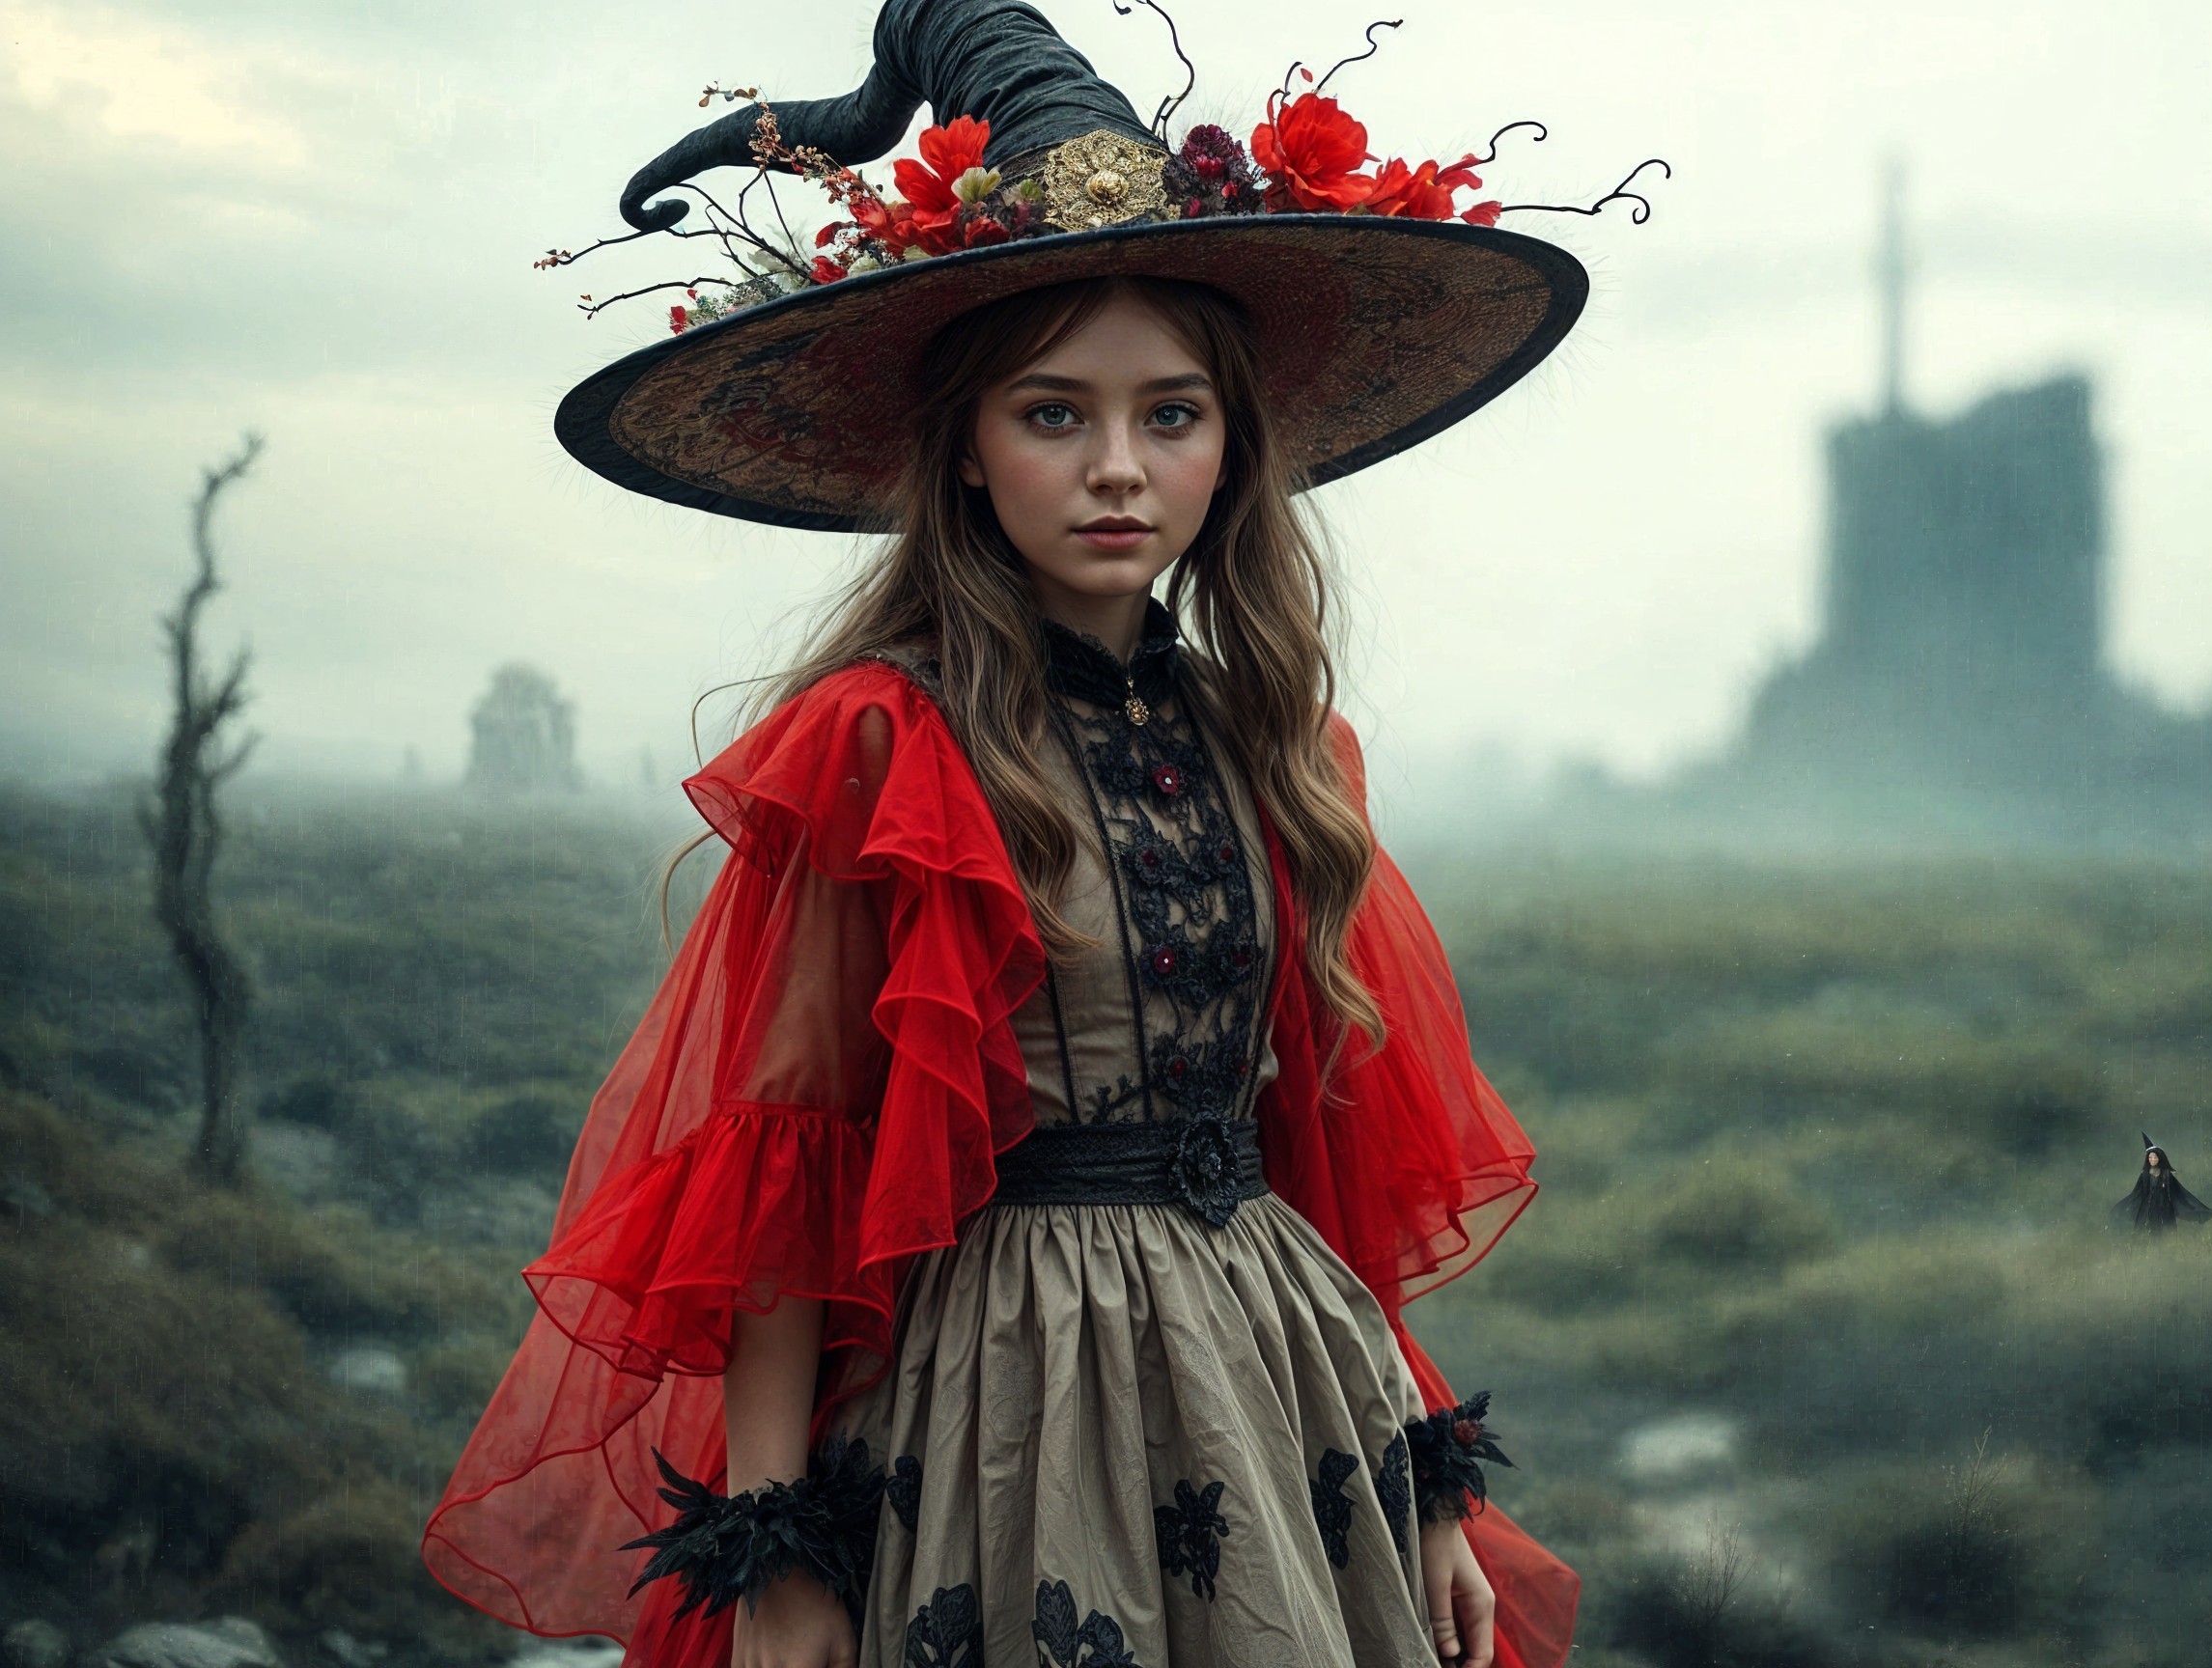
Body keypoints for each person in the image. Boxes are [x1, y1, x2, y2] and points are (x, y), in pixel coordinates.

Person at [424, 4, 1631, 1665]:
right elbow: (787, 1166)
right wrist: (776, 1562)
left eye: (1172, 413)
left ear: (1233, 445)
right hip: (1009, 1387)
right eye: (1054, 413)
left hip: (1287, 1382)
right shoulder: (882, 739)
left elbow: (1318, 1158)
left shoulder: (1273, 738)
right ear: (972, 455)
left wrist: (1423, 1484)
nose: (1117, 467)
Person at [2109, 1135, 2212, 1233]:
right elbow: (2136, 1194)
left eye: (2155, 1157)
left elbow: (2180, 1192)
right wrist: (2120, 1208)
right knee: (2146, 1233)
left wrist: (2196, 1209)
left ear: (2160, 1158)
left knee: (2166, 1233)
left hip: (2164, 1207)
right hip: (2147, 1208)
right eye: (2150, 1157)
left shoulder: (2166, 1175)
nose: (2152, 1160)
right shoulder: (2144, 1175)